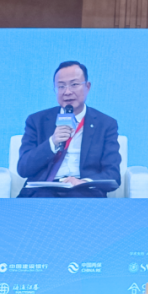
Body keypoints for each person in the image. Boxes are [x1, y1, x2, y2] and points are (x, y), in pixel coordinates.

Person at [16, 61, 121, 198]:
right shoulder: (36, 121)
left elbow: (113, 175)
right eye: (61, 86)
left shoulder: (106, 124)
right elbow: (23, 169)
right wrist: (52, 143)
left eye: (74, 84)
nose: (67, 92)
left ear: (87, 87)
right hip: (44, 190)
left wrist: (84, 182)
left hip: (84, 190)